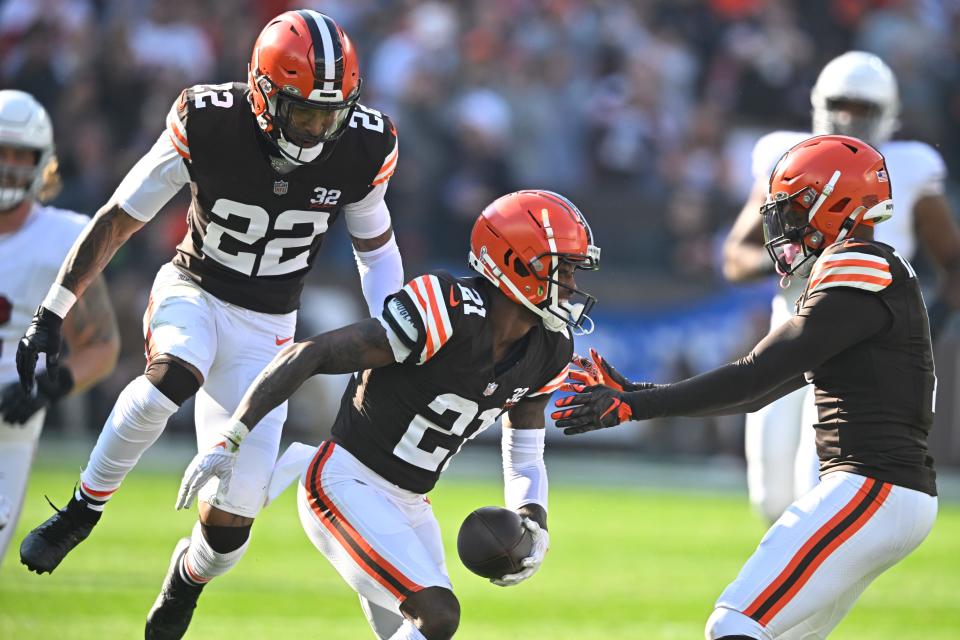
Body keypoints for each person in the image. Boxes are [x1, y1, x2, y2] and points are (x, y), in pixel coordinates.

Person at [15, 9, 403, 637]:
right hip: (194, 287)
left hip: (269, 325)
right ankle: (80, 512)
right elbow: (120, 217)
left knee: (228, 533)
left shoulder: (365, 145)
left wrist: (396, 331)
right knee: (172, 375)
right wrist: (53, 312)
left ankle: (186, 581)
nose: (313, 128)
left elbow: (376, 250)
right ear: (260, 93)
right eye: (300, 111)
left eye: (326, 114)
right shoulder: (210, 119)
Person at [555, 135, 938, 640]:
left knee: (734, 623)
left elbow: (753, 373)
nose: (785, 226)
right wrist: (640, 392)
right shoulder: (875, 269)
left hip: (871, 484)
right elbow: (759, 391)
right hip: (888, 491)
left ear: (835, 202)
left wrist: (636, 406)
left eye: (796, 209)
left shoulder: (856, 265)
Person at [174, 190, 599, 640]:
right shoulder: (447, 309)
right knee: (438, 615)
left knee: (427, 627)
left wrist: (535, 521)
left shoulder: (550, 346)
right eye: (562, 268)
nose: (571, 285)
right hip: (344, 481)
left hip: (411, 503)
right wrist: (233, 435)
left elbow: (525, 452)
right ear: (515, 263)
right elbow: (312, 353)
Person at [723, 51, 960, 523]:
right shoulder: (788, 158)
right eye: (842, 103)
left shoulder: (909, 166)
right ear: (820, 103)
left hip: (861, 344)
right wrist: (792, 257)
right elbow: (735, 257)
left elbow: (953, 261)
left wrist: (930, 325)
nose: (850, 117)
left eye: (863, 108)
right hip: (790, 328)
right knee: (770, 496)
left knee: (823, 490)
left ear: (888, 112)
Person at [0, 90, 119, 568]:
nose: (9, 166)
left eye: (20, 155)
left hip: (9, 423)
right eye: (0, 151)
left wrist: (48, 387)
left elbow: (104, 345)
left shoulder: (66, 237)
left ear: (42, 162)